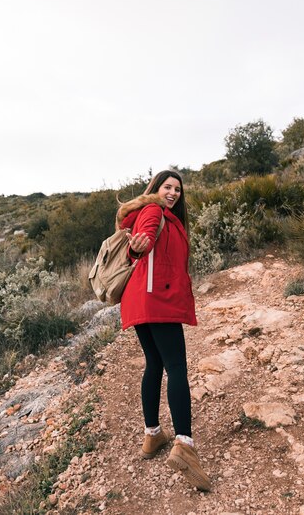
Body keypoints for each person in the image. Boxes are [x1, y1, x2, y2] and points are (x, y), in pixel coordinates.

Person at [116, 169, 211, 492]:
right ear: (156, 188)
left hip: (140, 299)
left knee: (155, 364)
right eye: (167, 187)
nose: (173, 193)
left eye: (178, 189)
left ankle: (153, 435)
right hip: (157, 298)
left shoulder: (167, 216)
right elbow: (141, 242)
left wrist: (140, 250)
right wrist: (137, 249)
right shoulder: (154, 211)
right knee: (176, 367)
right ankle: (184, 444)